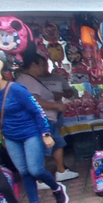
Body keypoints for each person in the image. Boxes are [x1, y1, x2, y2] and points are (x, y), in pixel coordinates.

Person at [0, 76, 69, 203]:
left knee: (35, 170)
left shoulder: (16, 89)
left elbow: (37, 111)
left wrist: (46, 133)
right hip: (11, 137)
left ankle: (57, 188)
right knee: (24, 172)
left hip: (31, 133)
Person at [16, 52, 80, 190]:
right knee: (43, 148)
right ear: (33, 64)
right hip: (41, 120)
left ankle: (60, 171)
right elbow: (34, 100)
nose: (45, 68)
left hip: (47, 119)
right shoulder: (27, 80)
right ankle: (40, 178)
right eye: (42, 64)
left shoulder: (31, 79)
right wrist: (55, 106)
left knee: (56, 143)